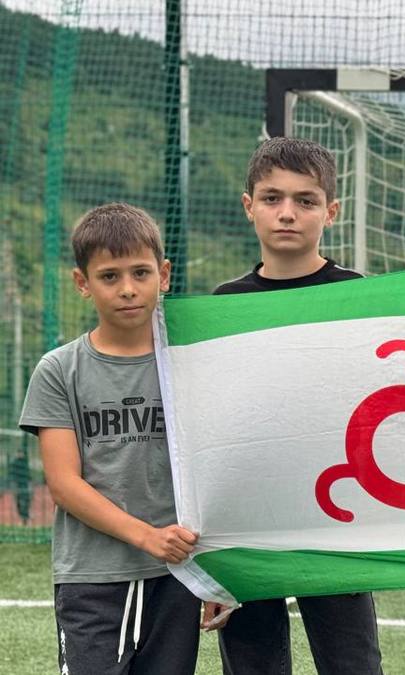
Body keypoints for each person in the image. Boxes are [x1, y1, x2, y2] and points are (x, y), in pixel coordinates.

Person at [207, 137, 384, 674]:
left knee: (352, 662)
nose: (287, 213)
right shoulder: (224, 305)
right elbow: (211, 426)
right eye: (272, 198)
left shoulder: (359, 296)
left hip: (336, 516)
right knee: (253, 663)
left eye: (305, 200)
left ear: (331, 211)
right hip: (248, 520)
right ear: (249, 206)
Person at [20, 203, 201, 673]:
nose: (127, 289)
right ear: (82, 283)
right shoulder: (59, 370)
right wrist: (148, 537)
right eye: (109, 276)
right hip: (93, 577)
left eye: (141, 273)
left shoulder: (191, 363)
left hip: (177, 576)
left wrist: (218, 576)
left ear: (164, 275)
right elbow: (64, 484)